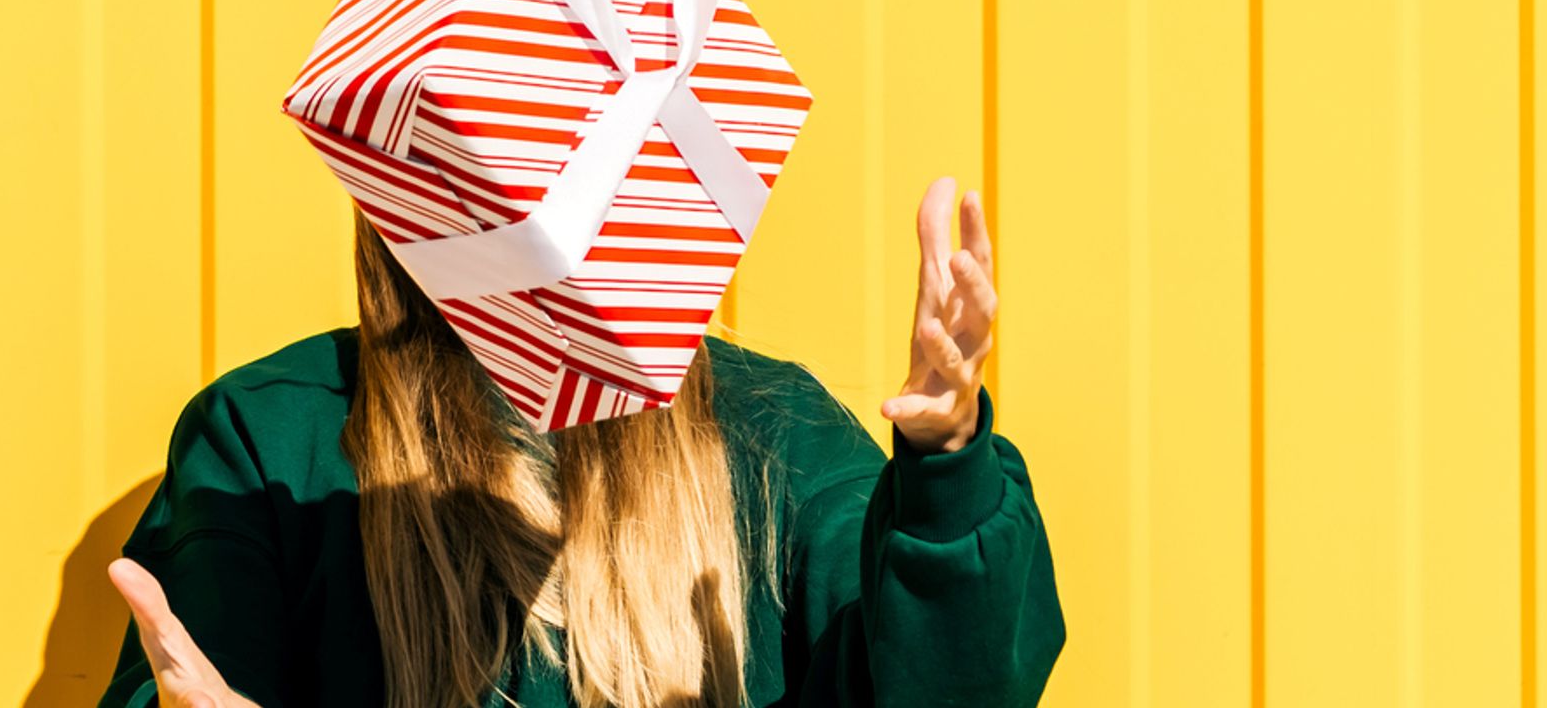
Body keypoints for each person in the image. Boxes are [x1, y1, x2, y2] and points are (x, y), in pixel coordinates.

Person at [96, 177, 1065, 707]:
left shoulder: (774, 436)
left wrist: (947, 470)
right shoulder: (273, 442)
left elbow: (948, 688)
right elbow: (187, 679)